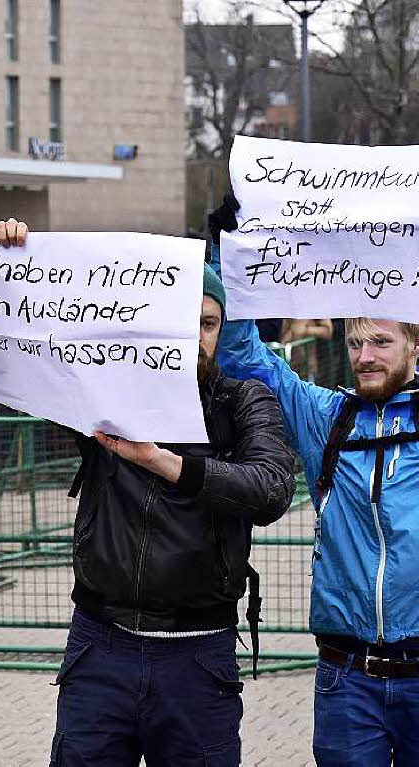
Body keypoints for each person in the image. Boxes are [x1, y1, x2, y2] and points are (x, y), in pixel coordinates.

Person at [0, 218, 296, 766]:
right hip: (101, 646)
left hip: (198, 655)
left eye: (209, 323)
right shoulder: (107, 392)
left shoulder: (242, 401)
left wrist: (164, 462)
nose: (197, 335)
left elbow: (270, 489)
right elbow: (22, 372)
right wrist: (8, 268)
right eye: (185, 320)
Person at [208, 195, 419, 766]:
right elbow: (245, 356)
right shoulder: (328, 416)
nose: (365, 356)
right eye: (355, 343)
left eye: (381, 342)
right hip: (346, 677)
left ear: (415, 347)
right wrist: (231, 257)